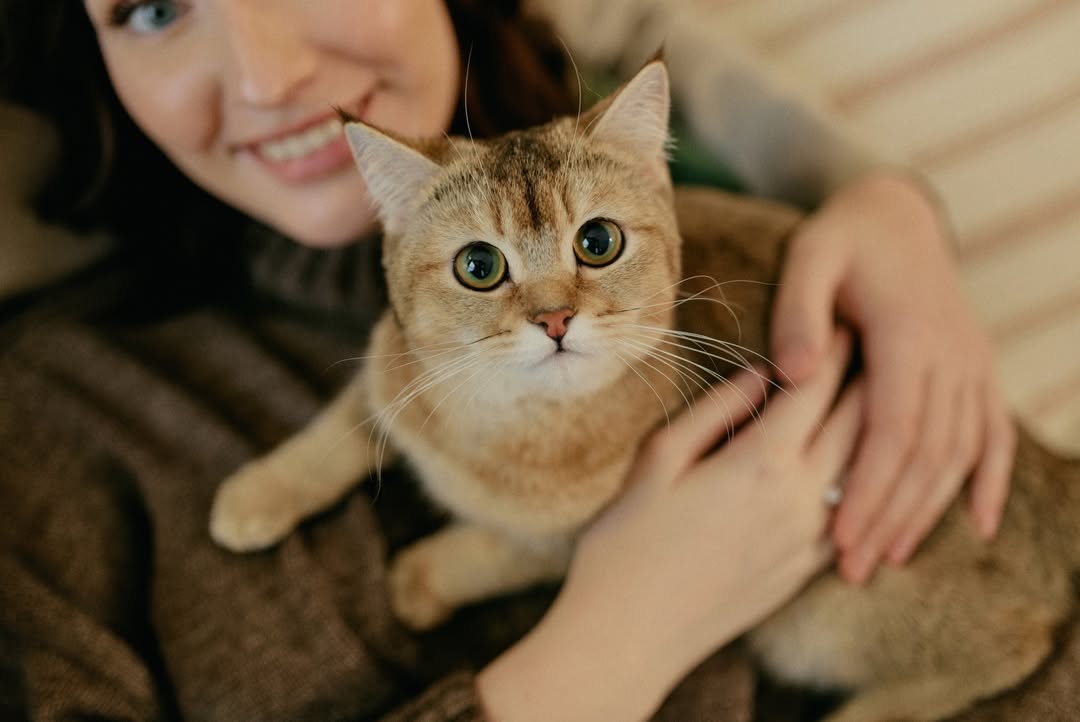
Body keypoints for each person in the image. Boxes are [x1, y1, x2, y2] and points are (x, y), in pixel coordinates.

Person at [0, 1, 1015, 720]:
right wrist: (608, 649)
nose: (268, 75)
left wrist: (893, 202)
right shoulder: (52, 421)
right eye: (151, 9)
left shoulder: (716, 224)